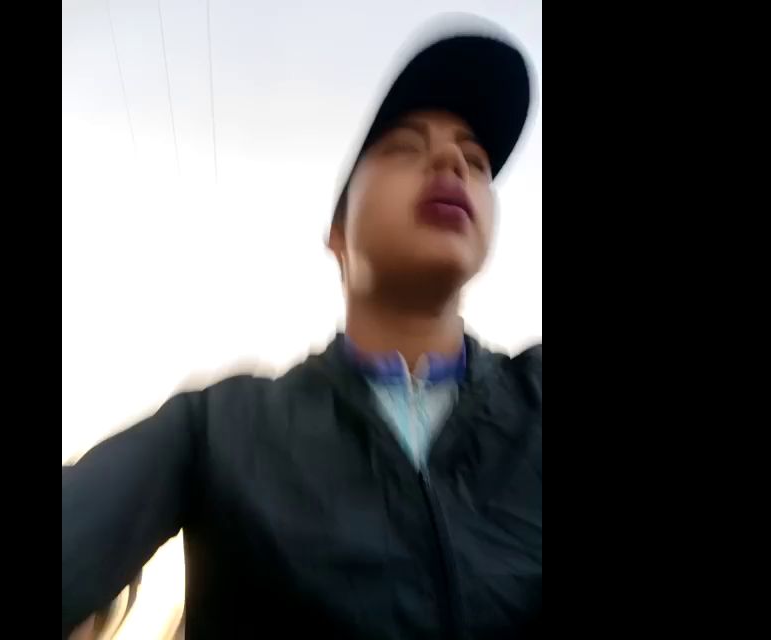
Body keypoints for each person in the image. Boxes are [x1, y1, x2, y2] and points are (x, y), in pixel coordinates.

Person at [63, 15, 541, 639]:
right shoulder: (219, 429)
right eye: (404, 146)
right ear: (338, 237)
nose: (453, 160)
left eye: (476, 161)